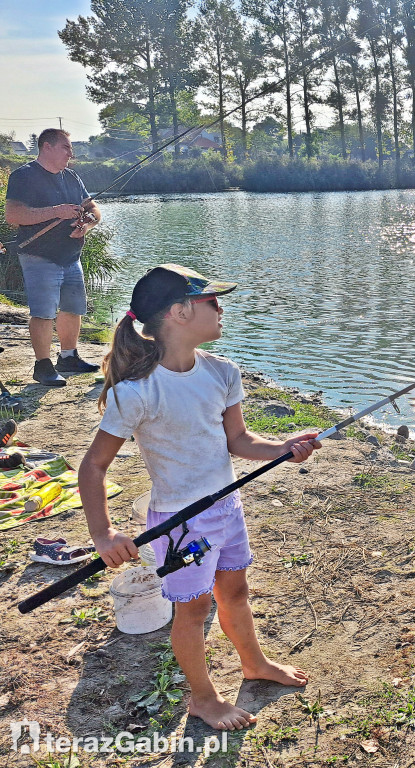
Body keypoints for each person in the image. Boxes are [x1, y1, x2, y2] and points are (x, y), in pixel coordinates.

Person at [78, 264, 322, 729]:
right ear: (181, 311)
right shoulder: (136, 392)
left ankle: (255, 665)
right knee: (192, 613)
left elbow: (239, 441)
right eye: (213, 301)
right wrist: (103, 532)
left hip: (227, 510)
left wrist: (284, 448)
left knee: (235, 591)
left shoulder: (223, 373)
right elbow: (93, 466)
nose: (221, 308)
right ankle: (204, 698)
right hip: (182, 523)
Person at [3, 128, 102, 386]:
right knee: (44, 312)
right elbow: (13, 215)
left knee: (73, 308)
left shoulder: (72, 176)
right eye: (66, 147)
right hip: (38, 256)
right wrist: (56, 211)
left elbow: (92, 208)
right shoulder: (23, 176)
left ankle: (68, 357)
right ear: (47, 147)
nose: (71, 153)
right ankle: (42, 366)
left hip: (71, 256)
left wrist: (87, 224)